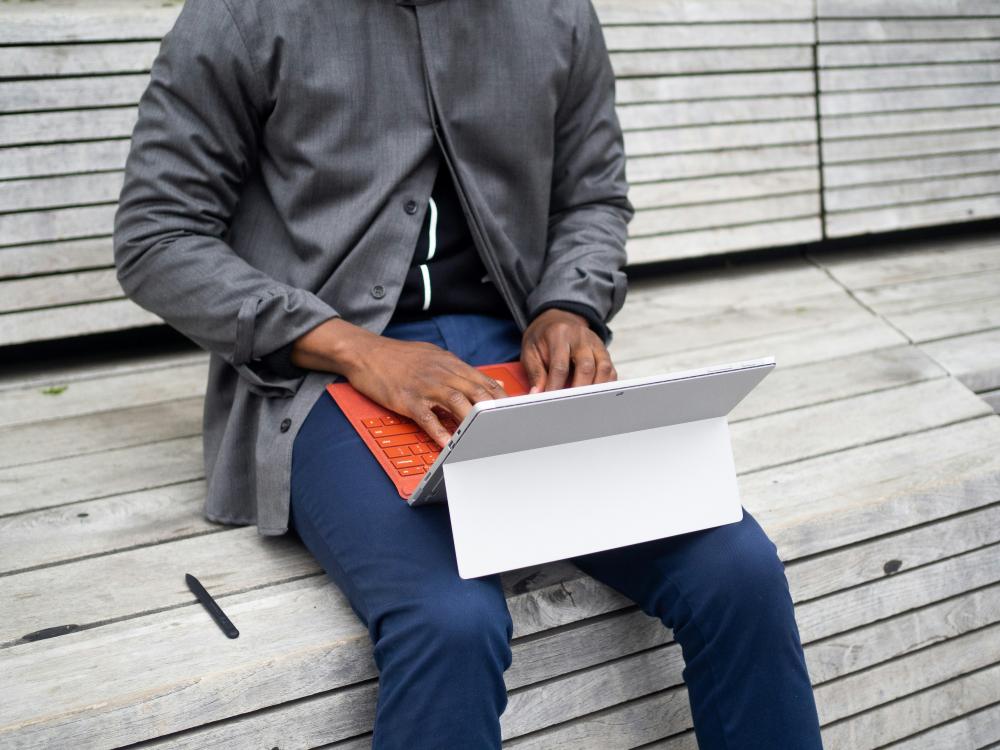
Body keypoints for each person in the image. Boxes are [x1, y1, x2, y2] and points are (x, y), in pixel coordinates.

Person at [114, 1, 824, 747]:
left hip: (519, 356)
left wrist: (568, 306)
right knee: (449, 620)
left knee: (737, 570)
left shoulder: (555, 14)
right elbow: (157, 236)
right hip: (322, 370)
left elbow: (593, 197)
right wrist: (357, 349)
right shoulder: (244, 15)